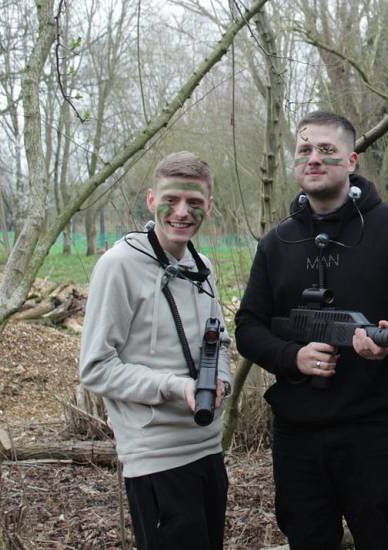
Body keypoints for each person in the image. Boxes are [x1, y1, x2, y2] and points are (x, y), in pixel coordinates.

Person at [234, 111, 388, 549]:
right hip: (298, 431)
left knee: (381, 539)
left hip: (374, 428)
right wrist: (293, 358)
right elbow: (248, 327)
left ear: (351, 161)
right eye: (304, 150)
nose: (314, 159)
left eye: (327, 150)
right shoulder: (276, 242)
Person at [80, 151, 233, 550]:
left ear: (209, 207)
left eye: (194, 203)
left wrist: (221, 380)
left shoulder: (203, 266)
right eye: (172, 200)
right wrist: (172, 386)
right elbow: (96, 367)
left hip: (208, 448)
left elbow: (221, 341)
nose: (182, 212)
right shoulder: (119, 266)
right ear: (151, 200)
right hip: (156, 458)